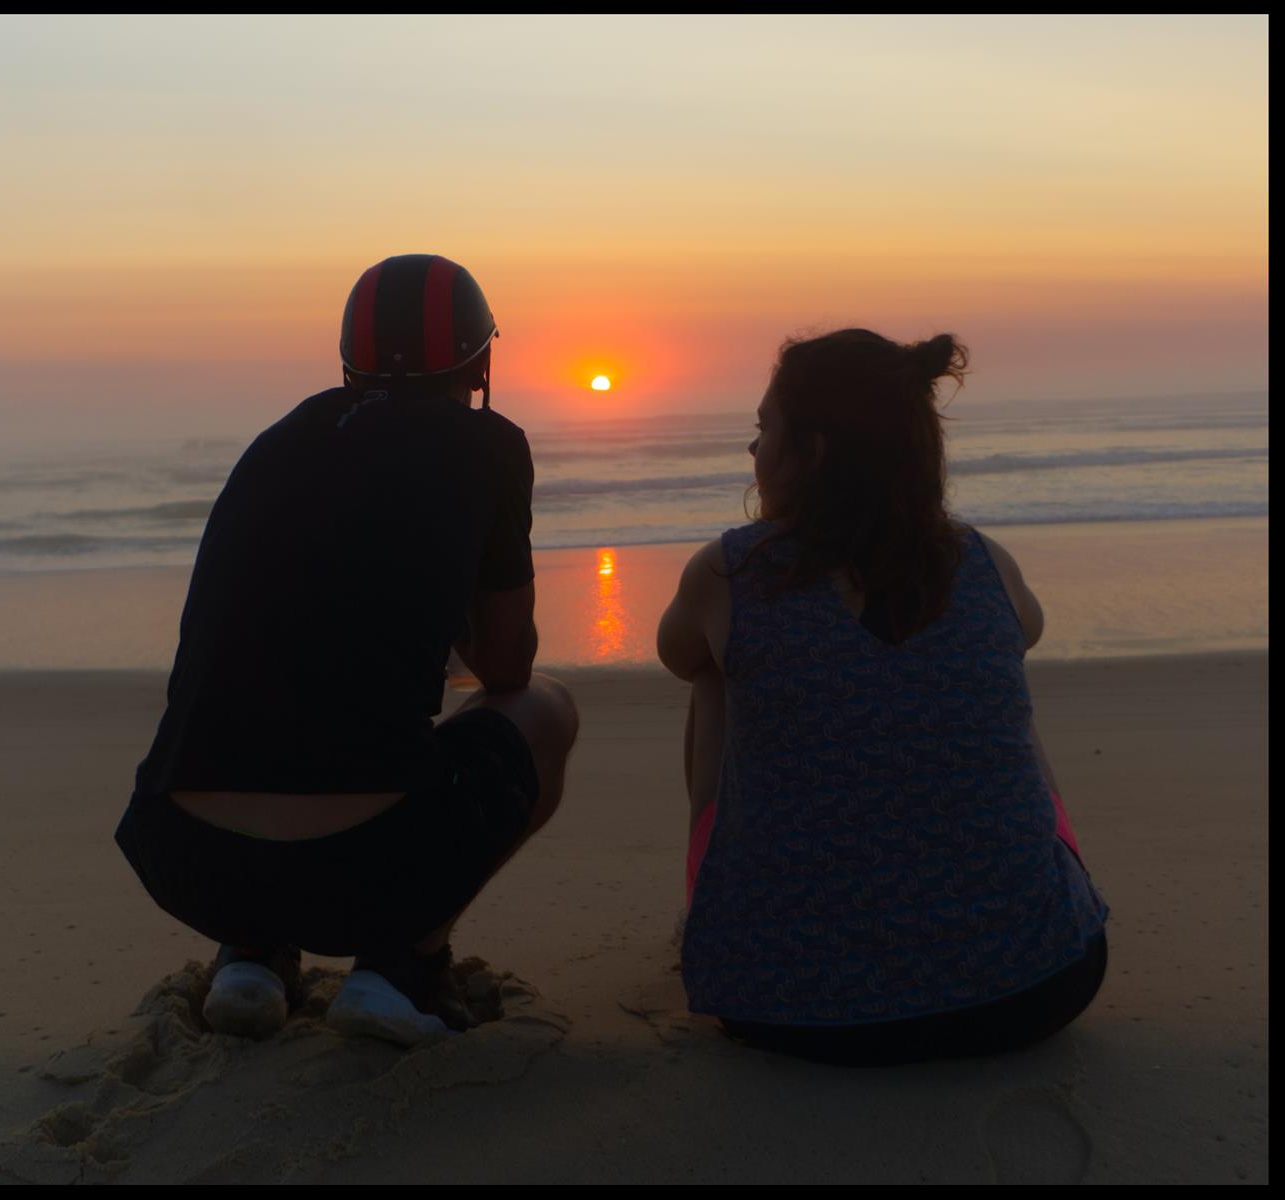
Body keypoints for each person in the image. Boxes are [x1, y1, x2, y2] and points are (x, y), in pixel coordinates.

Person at [114, 253, 579, 1045]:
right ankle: (400, 968)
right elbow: (505, 666)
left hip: (183, 855)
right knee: (546, 708)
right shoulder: (488, 447)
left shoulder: (275, 443)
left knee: (286, 708)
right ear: (483, 360)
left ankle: (252, 957)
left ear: (343, 364)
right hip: (365, 866)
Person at [657, 328, 1108, 1067]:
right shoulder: (983, 561)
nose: (752, 451)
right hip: (1039, 984)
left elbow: (679, 655)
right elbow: (1025, 633)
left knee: (716, 668)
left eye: (764, 429)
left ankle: (707, 907)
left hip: (787, 1004)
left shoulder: (730, 573)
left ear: (816, 452)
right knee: (991, 684)